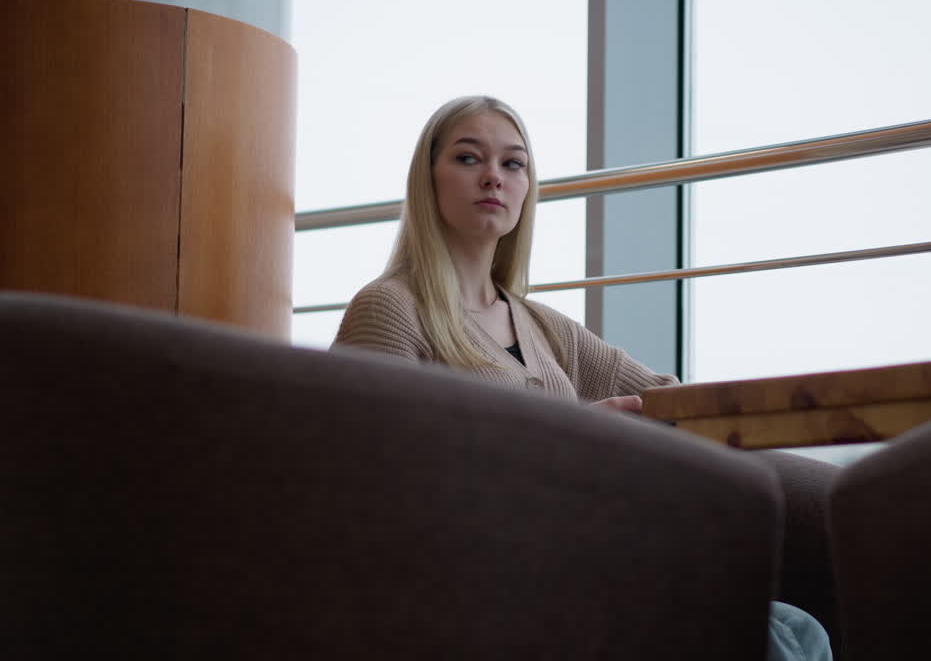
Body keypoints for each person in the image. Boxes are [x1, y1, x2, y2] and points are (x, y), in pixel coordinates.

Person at [332, 95, 832, 661]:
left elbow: (667, 399)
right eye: (468, 158)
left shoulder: (544, 327)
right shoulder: (391, 308)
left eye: (513, 163)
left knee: (798, 631)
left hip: (582, 556)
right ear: (428, 179)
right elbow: (376, 480)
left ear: (527, 188)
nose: (494, 176)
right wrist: (566, 445)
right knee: (769, 638)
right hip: (487, 575)